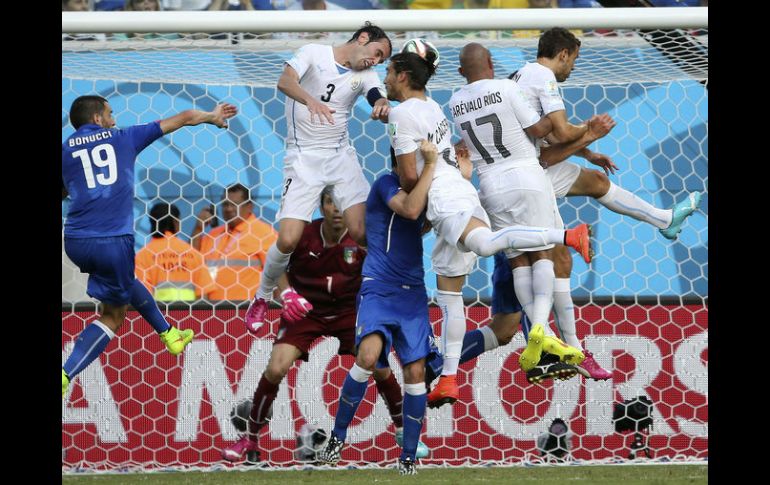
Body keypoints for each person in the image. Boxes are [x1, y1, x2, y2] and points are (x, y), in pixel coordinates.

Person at [383, 48, 592, 408]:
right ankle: (449, 376)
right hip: (461, 190)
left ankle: (567, 238)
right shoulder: (431, 105)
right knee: (452, 298)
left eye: (388, 71)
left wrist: (413, 188)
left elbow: (409, 176)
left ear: (403, 75)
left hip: (453, 197)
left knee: (488, 247)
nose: (384, 78)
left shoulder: (430, 107)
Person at [509, 27, 701, 378]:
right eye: (575, 60)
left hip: (529, 167)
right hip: (531, 174)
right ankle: (569, 349)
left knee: (597, 181)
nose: (573, 68)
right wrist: (590, 130)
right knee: (558, 259)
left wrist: (589, 149)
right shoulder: (544, 76)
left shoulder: (520, 75)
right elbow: (563, 133)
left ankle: (665, 219)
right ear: (563, 53)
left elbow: (551, 133)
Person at [220, 188, 429, 463]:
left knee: (378, 366)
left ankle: (404, 430)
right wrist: (286, 294)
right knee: (276, 367)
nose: (337, 208)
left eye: (343, 201)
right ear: (321, 206)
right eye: (331, 201)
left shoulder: (362, 239)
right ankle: (250, 438)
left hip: (349, 312)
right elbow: (276, 265)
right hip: (306, 311)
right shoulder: (303, 235)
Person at [450, 42, 612, 381]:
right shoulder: (506, 88)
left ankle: (543, 337)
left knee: (517, 259)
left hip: (491, 186)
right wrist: (583, 132)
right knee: (543, 254)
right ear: (491, 64)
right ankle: (540, 328)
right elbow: (540, 130)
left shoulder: (455, 101)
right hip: (525, 174)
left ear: (461, 71)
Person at [62, 95, 237, 396]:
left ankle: (168, 333)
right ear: (97, 119)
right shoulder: (123, 137)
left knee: (126, 282)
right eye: (110, 114)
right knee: (114, 315)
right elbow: (182, 117)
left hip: (76, 240)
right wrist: (213, 116)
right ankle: (66, 374)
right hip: (112, 239)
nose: (114, 119)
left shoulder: (64, 150)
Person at [243, 23, 393, 332]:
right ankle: (261, 297)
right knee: (287, 239)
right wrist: (309, 100)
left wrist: (381, 103)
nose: (376, 61)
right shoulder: (314, 52)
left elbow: (375, 94)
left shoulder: (365, 75)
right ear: (363, 39)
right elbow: (285, 81)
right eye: (377, 53)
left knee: (364, 233)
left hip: (340, 157)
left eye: (382, 60)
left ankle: (377, 296)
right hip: (303, 158)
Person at [318, 140, 439, 475]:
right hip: (379, 287)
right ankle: (338, 437)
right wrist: (433, 166)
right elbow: (412, 211)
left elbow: (424, 222)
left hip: (413, 291)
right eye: (412, 163)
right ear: (400, 163)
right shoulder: (385, 184)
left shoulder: (423, 188)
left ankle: (408, 457)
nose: (416, 168)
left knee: (415, 373)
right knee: (368, 357)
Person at [192, 184, 277, 301]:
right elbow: (191, 261)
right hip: (210, 311)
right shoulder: (213, 234)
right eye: (225, 204)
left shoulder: (265, 234)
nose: (228, 209)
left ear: (249, 207)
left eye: (234, 204)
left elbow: (277, 276)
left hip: (246, 310)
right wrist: (198, 229)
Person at [135, 202, 215, 302]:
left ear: (152, 223)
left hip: (159, 316)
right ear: (175, 222)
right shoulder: (193, 253)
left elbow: (142, 297)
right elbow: (203, 295)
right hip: (189, 315)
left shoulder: (142, 256)